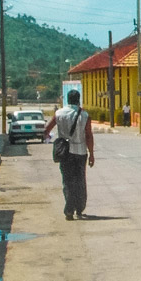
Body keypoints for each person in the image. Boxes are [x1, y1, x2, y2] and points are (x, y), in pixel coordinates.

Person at [43, 88, 95, 220]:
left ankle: (69, 208)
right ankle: (79, 208)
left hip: (65, 153)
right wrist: (92, 154)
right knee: (80, 181)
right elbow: (88, 135)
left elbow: (47, 130)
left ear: (67, 99)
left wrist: (52, 139)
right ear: (78, 100)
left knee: (67, 181)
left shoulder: (59, 113)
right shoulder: (85, 115)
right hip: (80, 152)